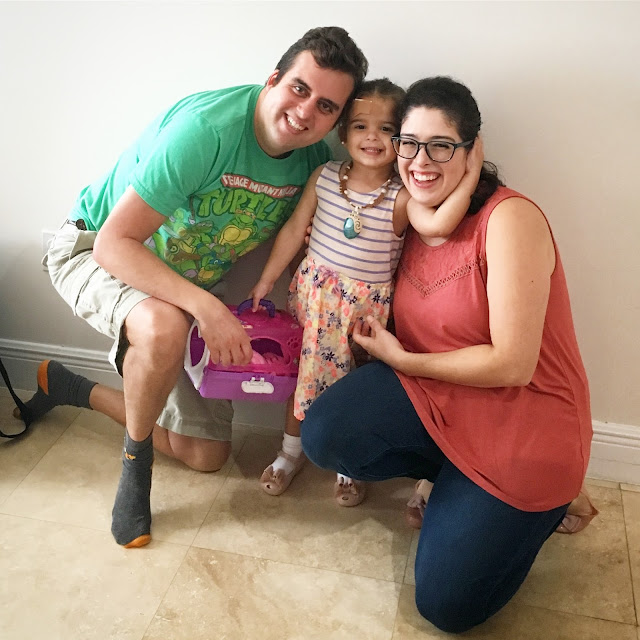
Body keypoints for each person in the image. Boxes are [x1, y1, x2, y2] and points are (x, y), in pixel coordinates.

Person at [15, 27, 368, 549]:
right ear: (273, 79)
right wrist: (206, 306)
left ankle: (64, 385)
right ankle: (136, 469)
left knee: (205, 456)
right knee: (163, 327)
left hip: (182, 284)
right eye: (299, 89)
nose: (305, 111)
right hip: (92, 248)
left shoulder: (313, 164)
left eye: (326, 106)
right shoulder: (206, 130)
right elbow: (115, 244)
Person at [300, 76, 594, 633]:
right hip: (439, 399)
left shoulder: (509, 219)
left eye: (442, 145)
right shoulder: (409, 212)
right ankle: (446, 474)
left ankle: (555, 501)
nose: (420, 160)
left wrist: (403, 361)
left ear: (472, 151)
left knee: (446, 607)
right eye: (409, 142)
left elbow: (513, 364)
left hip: (524, 419)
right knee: (326, 434)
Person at [248, 78, 482, 505]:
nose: (372, 137)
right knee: (308, 377)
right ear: (341, 132)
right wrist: (266, 279)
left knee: (351, 388)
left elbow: (437, 225)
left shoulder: (402, 195)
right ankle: (289, 451)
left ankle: (347, 462)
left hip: (363, 314)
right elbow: (292, 231)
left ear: (401, 139)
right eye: (359, 126)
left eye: (386, 129)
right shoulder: (324, 178)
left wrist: (470, 174)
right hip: (316, 303)